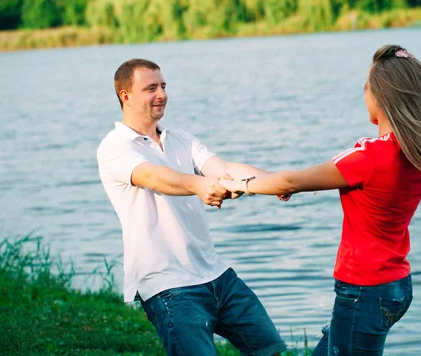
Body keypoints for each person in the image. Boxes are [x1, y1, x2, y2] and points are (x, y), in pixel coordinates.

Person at [219, 45, 421, 356]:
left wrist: (244, 184)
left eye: (366, 87)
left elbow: (290, 180)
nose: (363, 94)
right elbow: (310, 182)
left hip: (363, 289)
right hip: (394, 286)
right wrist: (286, 184)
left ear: (381, 97)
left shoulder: (368, 155)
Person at [97, 59, 287, 356]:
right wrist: (198, 185)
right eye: (151, 88)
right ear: (126, 96)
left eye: (163, 86)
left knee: (270, 349)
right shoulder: (116, 147)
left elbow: (222, 167)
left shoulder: (180, 138)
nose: (161, 94)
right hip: (168, 285)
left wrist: (273, 182)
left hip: (216, 274)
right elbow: (153, 177)